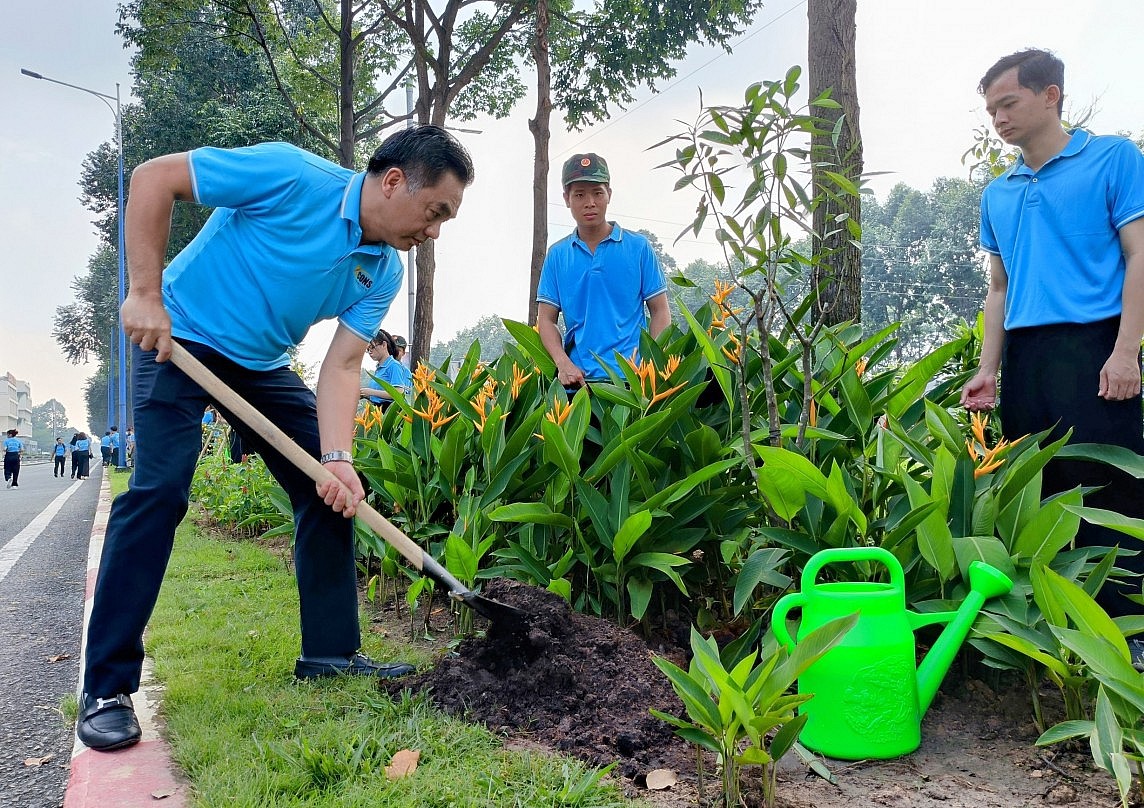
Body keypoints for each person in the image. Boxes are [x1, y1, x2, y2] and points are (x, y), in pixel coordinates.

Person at [75, 125, 473, 753]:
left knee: (328, 487)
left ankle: (331, 654)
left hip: (260, 365)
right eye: (435, 212)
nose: (435, 230)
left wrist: (337, 459)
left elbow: (341, 367)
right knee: (158, 491)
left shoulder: (383, 272)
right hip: (179, 337)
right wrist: (145, 294)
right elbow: (154, 177)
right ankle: (106, 687)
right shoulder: (291, 175)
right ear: (394, 181)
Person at [960, 49, 1144, 625]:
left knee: (1109, 486)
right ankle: (1053, 626)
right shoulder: (998, 192)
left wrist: (1124, 351)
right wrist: (989, 369)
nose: (999, 119)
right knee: (1035, 488)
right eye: (991, 111)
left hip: (1094, 345)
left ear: (1051, 95)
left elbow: (1139, 254)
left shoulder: (1113, 158)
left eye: (1008, 103)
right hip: (1025, 354)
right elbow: (998, 288)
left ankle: (1128, 628)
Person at [536, 153, 671, 389]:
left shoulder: (638, 247)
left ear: (609, 194)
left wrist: (652, 364)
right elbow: (546, 319)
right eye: (579, 194)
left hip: (634, 382)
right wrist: (563, 363)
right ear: (567, 199)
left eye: (597, 192)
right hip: (579, 384)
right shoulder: (557, 255)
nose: (590, 202)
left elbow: (660, 310)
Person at [360, 329, 411, 407]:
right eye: (368, 349)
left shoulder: (394, 366)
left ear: (384, 345)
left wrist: (371, 392)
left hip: (388, 411)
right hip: (377, 409)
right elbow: (380, 395)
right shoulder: (379, 368)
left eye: (372, 347)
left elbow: (399, 392)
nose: (370, 351)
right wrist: (365, 394)